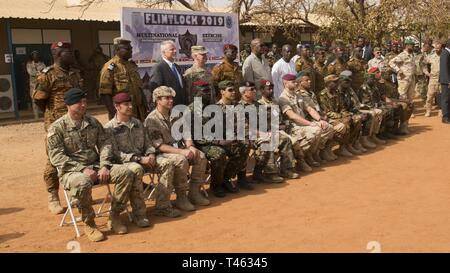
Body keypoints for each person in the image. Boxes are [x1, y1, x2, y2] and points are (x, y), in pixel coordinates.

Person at [47, 88, 136, 242]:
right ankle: (90, 224)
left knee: (125, 173)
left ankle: (115, 216)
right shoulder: (57, 128)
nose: (83, 105)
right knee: (82, 183)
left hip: (95, 166)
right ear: (68, 104)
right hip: (71, 171)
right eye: (79, 102)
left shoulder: (92, 122)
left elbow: (105, 144)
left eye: (84, 102)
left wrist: (104, 166)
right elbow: (56, 157)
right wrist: (82, 169)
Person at [105, 92, 184, 224]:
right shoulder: (109, 128)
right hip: (126, 163)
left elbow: (148, 143)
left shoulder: (137, 123)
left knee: (167, 163)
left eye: (130, 104)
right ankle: (139, 214)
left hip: (145, 158)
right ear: (117, 107)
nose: (130, 107)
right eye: (126, 104)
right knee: (136, 169)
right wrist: (138, 159)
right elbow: (114, 153)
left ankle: (163, 206)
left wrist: (151, 154)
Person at [32, 41, 83, 215]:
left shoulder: (75, 74)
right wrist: (53, 115)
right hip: (55, 124)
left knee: (76, 154)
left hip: (75, 122)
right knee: (53, 160)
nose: (72, 55)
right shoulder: (46, 75)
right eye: (67, 52)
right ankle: (53, 196)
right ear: (57, 54)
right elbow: (39, 100)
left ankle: (74, 191)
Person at [144, 86, 208, 213]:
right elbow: (159, 146)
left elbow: (186, 133)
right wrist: (182, 152)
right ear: (158, 100)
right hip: (161, 154)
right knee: (181, 160)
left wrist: (190, 146)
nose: (171, 101)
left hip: (179, 149)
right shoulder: (151, 120)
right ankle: (181, 196)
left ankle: (194, 193)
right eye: (166, 98)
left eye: (171, 98)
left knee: (200, 156)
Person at [277, 74, 323, 171]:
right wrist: (310, 124)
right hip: (293, 127)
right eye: (292, 82)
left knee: (321, 128)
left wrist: (319, 120)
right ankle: (300, 158)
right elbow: (292, 116)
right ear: (285, 83)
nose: (296, 83)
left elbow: (309, 109)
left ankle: (308, 156)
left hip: (303, 124)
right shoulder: (282, 98)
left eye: (295, 81)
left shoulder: (297, 95)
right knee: (314, 132)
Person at [257, 79, 299, 179]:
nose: (271, 91)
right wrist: (277, 127)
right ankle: (270, 173)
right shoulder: (259, 104)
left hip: (279, 130)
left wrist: (284, 125)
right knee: (271, 141)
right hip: (267, 132)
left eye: (272, 88)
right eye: (268, 89)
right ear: (262, 90)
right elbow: (263, 125)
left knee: (286, 140)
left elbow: (280, 118)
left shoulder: (275, 102)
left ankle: (286, 169)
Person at [99, 37, 148, 121]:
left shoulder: (131, 65)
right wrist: (114, 114)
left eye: (131, 48)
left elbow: (139, 88)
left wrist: (145, 105)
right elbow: (105, 93)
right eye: (127, 49)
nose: (131, 50)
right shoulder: (110, 67)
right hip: (122, 113)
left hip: (139, 111)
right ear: (117, 50)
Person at [296, 72, 335, 163]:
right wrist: (319, 119)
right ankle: (311, 154)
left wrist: (322, 116)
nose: (309, 81)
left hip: (317, 116)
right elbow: (307, 111)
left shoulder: (311, 93)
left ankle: (321, 151)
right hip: (308, 120)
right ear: (300, 82)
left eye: (309, 80)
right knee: (321, 129)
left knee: (330, 127)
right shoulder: (299, 94)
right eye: (306, 80)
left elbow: (316, 108)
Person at [319, 74, 352, 157]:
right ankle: (327, 148)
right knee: (343, 125)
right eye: (334, 82)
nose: (337, 83)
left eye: (337, 81)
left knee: (352, 120)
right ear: (328, 83)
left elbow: (342, 107)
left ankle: (344, 146)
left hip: (337, 116)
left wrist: (345, 115)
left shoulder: (336, 92)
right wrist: (341, 117)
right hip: (328, 118)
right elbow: (327, 112)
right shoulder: (322, 94)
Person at [149, 40, 187, 106]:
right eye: (172, 49)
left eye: (175, 49)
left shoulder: (177, 67)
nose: (175, 51)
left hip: (181, 106)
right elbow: (155, 90)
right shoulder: (158, 68)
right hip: (168, 107)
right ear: (163, 52)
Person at [423, 42, 444, 117]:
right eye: (436, 48)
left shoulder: (445, 56)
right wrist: (427, 73)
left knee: (443, 96)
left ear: (442, 48)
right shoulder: (431, 56)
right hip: (433, 79)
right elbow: (423, 64)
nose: (437, 50)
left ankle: (441, 110)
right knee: (430, 96)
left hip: (443, 79)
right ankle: (428, 110)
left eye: (438, 48)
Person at [26, 50, 46, 119]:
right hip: (33, 85)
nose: (36, 56)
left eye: (37, 55)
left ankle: (45, 115)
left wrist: (40, 72)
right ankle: (36, 116)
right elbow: (31, 72)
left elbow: (45, 72)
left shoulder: (42, 63)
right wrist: (39, 72)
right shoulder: (29, 64)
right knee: (34, 100)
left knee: (43, 99)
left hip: (41, 85)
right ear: (32, 57)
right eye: (34, 55)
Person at [439, 39, 450, 124]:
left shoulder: (447, 53)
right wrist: (448, 81)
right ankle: (445, 117)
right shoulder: (445, 53)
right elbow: (444, 69)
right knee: (445, 99)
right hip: (446, 81)